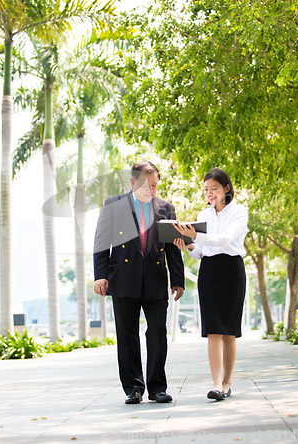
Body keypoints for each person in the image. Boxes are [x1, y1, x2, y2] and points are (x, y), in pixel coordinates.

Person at [93, 161, 185, 405]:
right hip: (123, 278)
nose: (151, 190)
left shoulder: (166, 208)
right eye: (146, 185)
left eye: (155, 185)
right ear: (132, 182)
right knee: (127, 336)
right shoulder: (113, 205)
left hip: (155, 279)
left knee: (157, 334)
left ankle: (157, 388)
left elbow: (173, 249)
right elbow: (101, 242)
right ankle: (133, 388)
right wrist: (100, 275)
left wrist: (178, 280)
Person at [173, 167, 248, 401]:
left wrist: (195, 235)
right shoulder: (203, 215)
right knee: (212, 329)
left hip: (232, 270)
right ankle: (216, 384)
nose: (210, 193)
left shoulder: (239, 212)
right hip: (209, 271)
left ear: (226, 188)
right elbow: (202, 252)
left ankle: (227, 382)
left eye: (214, 188)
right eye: (206, 190)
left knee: (229, 331)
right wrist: (188, 245)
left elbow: (225, 239)